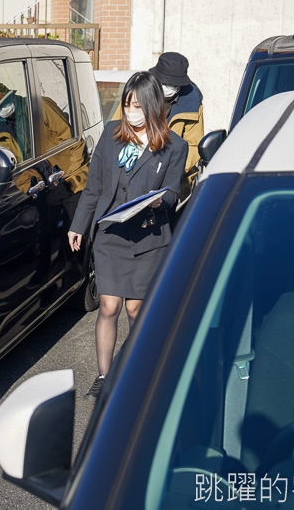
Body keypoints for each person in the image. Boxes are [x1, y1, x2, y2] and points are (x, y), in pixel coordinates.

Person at [68, 71, 188, 400]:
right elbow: (93, 188)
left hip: (148, 240)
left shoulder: (175, 146)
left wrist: (157, 200)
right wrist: (79, 224)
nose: (130, 110)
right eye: (126, 104)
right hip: (110, 235)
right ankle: (104, 376)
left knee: (136, 309)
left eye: (136, 104)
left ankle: (140, 373)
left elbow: (173, 194)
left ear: (151, 105)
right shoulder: (111, 135)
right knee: (109, 306)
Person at [112, 52, 204, 199]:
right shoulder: (139, 92)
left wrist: (170, 169)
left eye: (174, 84)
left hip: (171, 179)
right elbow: (117, 128)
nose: (168, 87)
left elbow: (194, 145)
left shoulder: (192, 104)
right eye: (165, 82)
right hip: (132, 170)